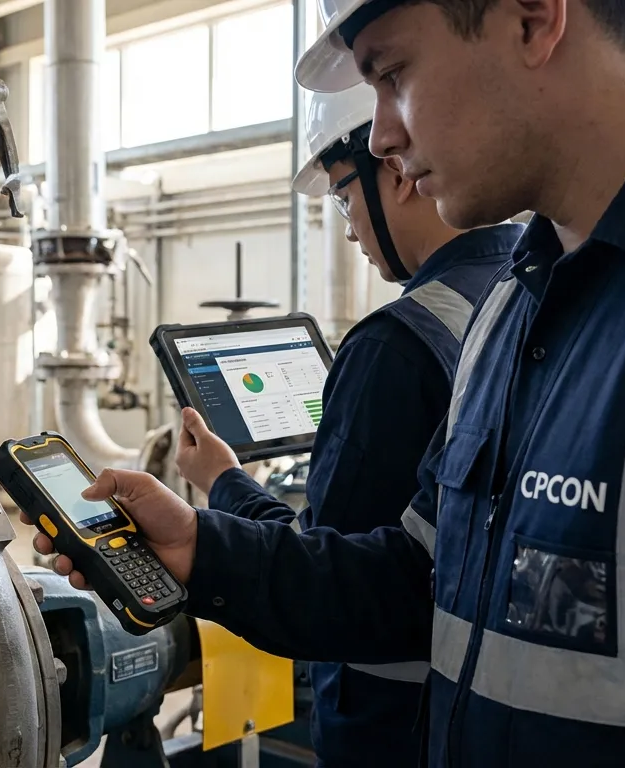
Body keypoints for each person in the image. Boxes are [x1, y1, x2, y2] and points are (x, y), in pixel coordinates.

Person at [30, 0, 625, 764]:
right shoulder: (515, 303)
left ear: (533, 19)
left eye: (393, 73)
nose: (382, 135)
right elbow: (414, 583)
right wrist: (203, 548)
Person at [174, 78, 521, 766]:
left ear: (393, 168)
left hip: (391, 725)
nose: (351, 224)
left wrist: (219, 495)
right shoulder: (527, 287)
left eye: (342, 194)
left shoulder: (393, 345)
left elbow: (334, 584)